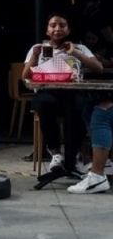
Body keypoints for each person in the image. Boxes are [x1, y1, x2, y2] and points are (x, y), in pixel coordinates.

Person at [22, 14, 102, 174]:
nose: (57, 29)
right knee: (44, 103)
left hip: (73, 93)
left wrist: (76, 53)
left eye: (62, 25)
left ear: (68, 29)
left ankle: (74, 155)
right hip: (47, 92)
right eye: (53, 25)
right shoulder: (38, 48)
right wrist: (35, 57)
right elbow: (25, 75)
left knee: (81, 106)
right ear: (47, 30)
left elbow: (98, 68)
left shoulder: (80, 47)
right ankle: (55, 153)